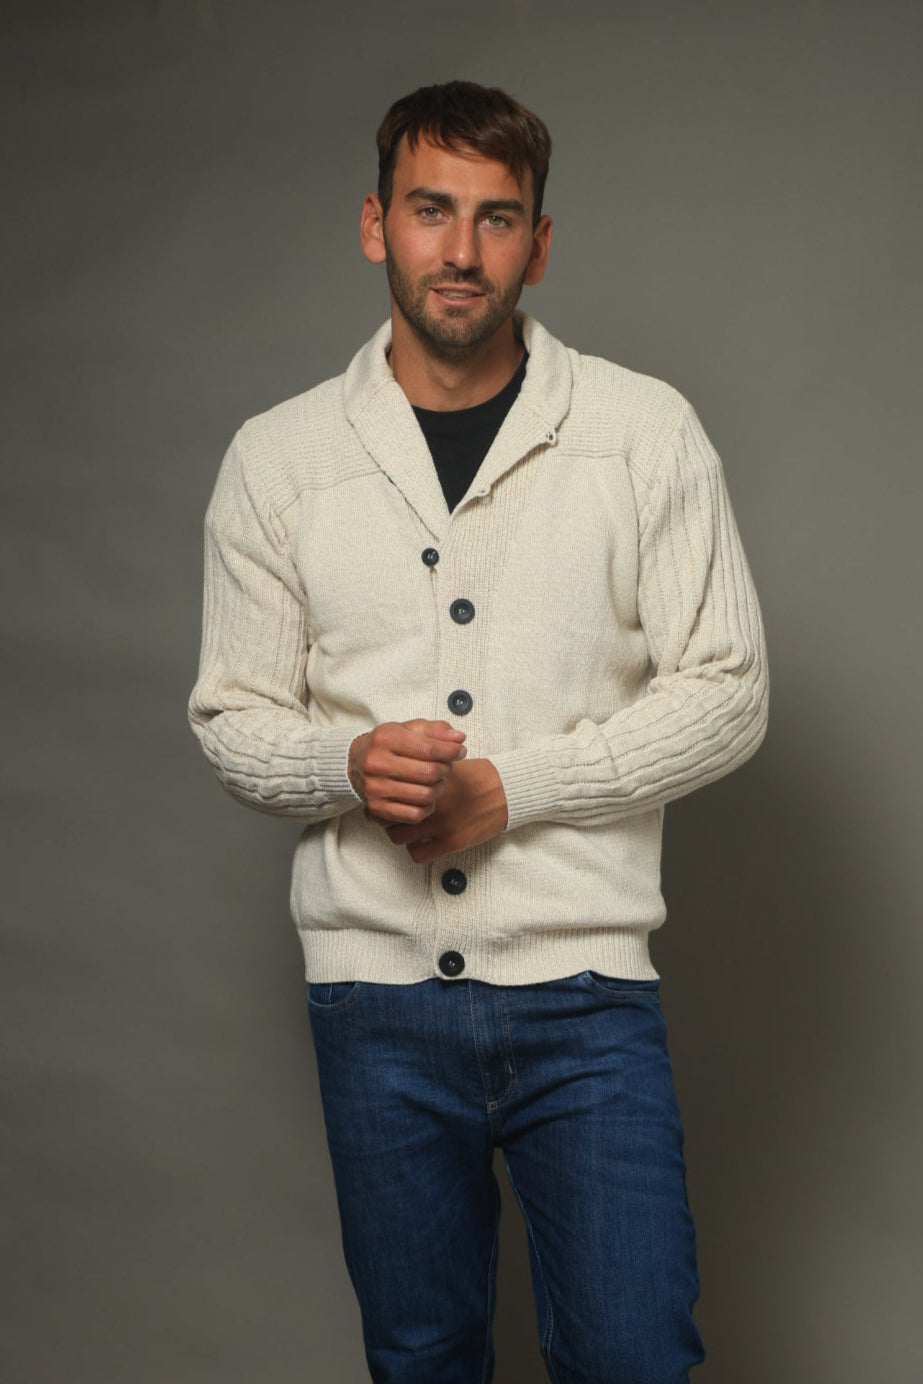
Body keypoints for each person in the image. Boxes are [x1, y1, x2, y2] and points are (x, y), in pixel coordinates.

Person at [189, 80, 768, 1384]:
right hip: (374, 1007)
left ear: (538, 244)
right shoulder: (279, 458)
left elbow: (729, 688)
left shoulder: (640, 433)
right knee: (422, 1360)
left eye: (497, 218)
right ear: (374, 225)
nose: (461, 249)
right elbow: (230, 717)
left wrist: (516, 788)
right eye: (430, 210)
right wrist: (342, 765)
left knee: (634, 1356)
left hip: (587, 1000)